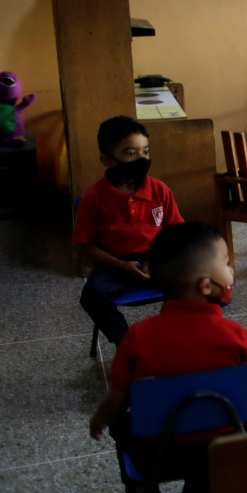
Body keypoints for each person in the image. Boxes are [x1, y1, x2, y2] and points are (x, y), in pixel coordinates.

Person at [88, 222, 247, 493]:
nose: (231, 270)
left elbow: (118, 397)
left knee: (123, 426)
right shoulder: (237, 336)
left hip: (157, 456)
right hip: (221, 453)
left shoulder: (138, 337)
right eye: (226, 262)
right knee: (213, 428)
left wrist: (99, 419)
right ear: (205, 285)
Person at [75, 115, 184, 346]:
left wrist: (158, 259)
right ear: (107, 160)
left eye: (145, 151)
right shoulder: (94, 198)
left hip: (157, 259)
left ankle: (183, 341)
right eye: (130, 153)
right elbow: (85, 245)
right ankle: (129, 348)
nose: (141, 159)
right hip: (115, 265)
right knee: (92, 296)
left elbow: (176, 232)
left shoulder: (159, 190)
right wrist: (121, 265)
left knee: (199, 277)